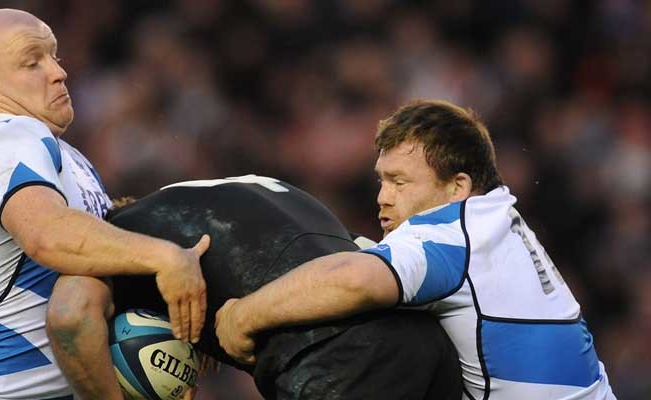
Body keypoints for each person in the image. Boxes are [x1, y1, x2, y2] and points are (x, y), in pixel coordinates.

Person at [215, 100, 617, 400]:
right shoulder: (496, 215)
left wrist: (244, 314)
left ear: (457, 187)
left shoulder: (450, 233)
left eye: (400, 182)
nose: (383, 198)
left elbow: (353, 281)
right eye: (381, 181)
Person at [0, 9, 209, 400]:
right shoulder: (4, 136)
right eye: (32, 62)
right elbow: (47, 235)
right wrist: (166, 258)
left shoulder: (65, 157)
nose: (57, 71)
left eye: (55, 56)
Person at [51, 175, 462, 399]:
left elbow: (69, 316)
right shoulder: (246, 191)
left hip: (342, 369)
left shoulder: (122, 244)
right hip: (431, 350)